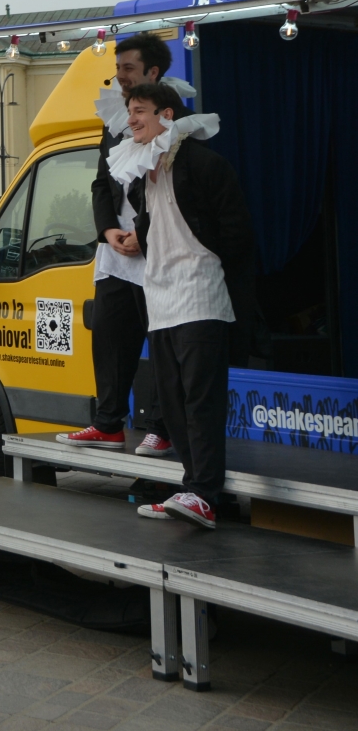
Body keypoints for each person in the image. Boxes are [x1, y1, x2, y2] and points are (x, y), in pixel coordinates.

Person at [107, 83, 260, 531]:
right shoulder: (141, 174)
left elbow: (237, 234)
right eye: (129, 111)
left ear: (166, 114)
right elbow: (155, 227)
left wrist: (212, 267)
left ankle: (207, 493)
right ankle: (191, 488)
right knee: (172, 401)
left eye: (140, 111)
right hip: (161, 295)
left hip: (200, 293)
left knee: (201, 397)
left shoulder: (204, 164)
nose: (131, 119)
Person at [64, 32, 180, 458]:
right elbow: (101, 184)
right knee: (110, 337)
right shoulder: (116, 118)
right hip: (117, 251)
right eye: (117, 69)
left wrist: (142, 234)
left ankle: (163, 428)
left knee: (164, 344)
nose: (120, 77)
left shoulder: (173, 120)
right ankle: (108, 423)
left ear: (152, 71)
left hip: (158, 250)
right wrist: (108, 231)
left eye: (128, 69)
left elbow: (169, 189)